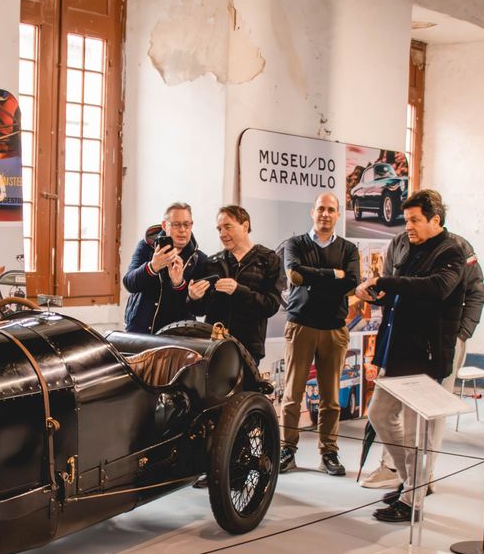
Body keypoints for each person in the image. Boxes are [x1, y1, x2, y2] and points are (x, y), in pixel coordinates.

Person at [354, 189, 467, 522]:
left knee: (417, 432)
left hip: (425, 355)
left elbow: (436, 288)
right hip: (397, 349)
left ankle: (412, 501)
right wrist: (375, 295)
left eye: (415, 220)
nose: (408, 226)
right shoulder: (408, 247)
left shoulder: (452, 252)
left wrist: (387, 281)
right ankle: (412, 483)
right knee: (379, 414)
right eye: (406, 220)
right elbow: (399, 294)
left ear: (436, 220)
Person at [279, 192, 360, 476]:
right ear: (312, 212)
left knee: (331, 398)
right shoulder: (295, 244)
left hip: (334, 330)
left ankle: (329, 453)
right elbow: (294, 275)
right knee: (292, 395)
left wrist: (314, 276)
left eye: (331, 210)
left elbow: (352, 284)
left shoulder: (348, 249)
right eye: (321, 209)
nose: (325, 214)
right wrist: (334, 275)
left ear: (338, 214)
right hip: (301, 326)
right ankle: (287, 450)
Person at [186, 205, 283, 363]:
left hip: (248, 348)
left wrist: (238, 291)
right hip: (213, 344)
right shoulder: (211, 262)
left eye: (228, 227)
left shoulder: (269, 260)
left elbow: (270, 306)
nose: (222, 234)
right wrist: (193, 297)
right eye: (219, 229)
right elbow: (200, 309)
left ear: (245, 226)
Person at [122, 202, 207, 334]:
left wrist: (179, 284)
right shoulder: (146, 247)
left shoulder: (199, 259)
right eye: (176, 224)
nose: (182, 230)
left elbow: (199, 311)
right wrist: (153, 266)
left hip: (177, 335)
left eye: (186, 224)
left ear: (191, 225)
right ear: (164, 225)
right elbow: (129, 284)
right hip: (140, 332)